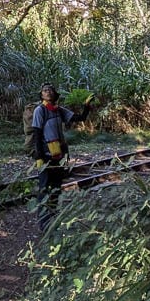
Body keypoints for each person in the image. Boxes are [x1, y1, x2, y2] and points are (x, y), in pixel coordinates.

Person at [30, 83, 94, 228]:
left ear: (55, 93)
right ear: (41, 95)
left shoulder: (58, 110)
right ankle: (43, 222)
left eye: (50, 90)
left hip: (59, 155)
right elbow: (37, 134)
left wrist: (86, 106)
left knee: (56, 188)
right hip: (46, 155)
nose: (48, 92)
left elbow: (80, 118)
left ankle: (53, 218)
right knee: (44, 188)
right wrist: (39, 157)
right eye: (45, 90)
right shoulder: (40, 110)